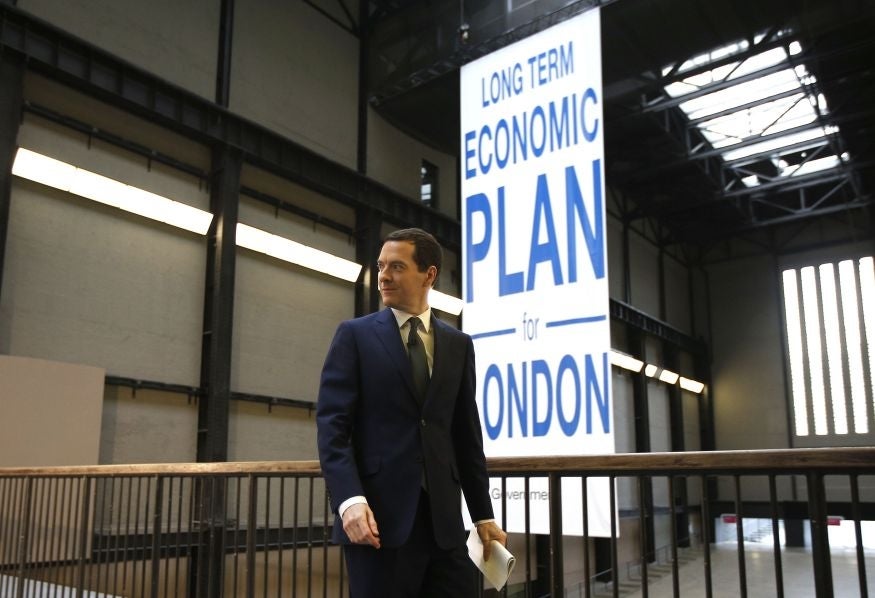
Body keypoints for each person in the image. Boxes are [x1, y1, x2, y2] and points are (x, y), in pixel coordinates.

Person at [316, 227, 507, 597]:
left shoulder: (458, 345)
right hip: (376, 523)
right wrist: (349, 500)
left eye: (397, 267)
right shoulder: (354, 336)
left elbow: (466, 435)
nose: (384, 276)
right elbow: (332, 428)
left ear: (429, 274)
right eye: (381, 266)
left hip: (445, 527)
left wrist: (483, 514)